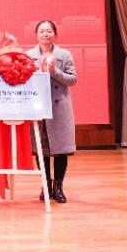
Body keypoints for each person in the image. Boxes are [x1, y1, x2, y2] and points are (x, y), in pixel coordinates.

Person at [26, 20, 78, 204]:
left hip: (59, 107)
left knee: (61, 149)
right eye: (42, 31)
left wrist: (55, 71)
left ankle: (59, 187)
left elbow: (72, 79)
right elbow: (24, 80)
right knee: (43, 150)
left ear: (55, 34)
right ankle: (46, 186)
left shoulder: (64, 54)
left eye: (49, 31)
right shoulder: (29, 56)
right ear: (36, 34)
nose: (45, 34)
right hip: (39, 107)